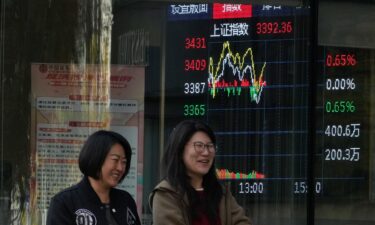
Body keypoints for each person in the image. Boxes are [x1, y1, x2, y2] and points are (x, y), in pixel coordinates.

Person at [149, 120, 252, 225]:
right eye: (199, 146)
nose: (206, 152)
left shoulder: (221, 192)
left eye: (210, 146)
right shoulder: (166, 194)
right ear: (180, 150)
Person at [47, 130, 141, 225]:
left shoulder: (126, 200)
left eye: (124, 162)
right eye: (115, 160)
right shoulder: (64, 202)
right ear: (96, 158)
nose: (120, 168)